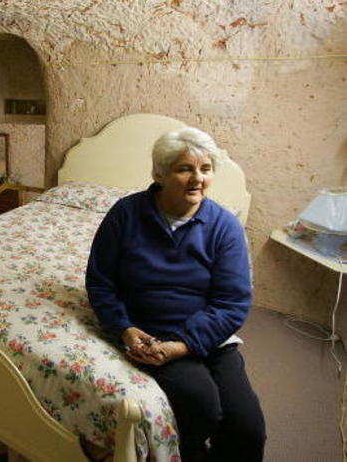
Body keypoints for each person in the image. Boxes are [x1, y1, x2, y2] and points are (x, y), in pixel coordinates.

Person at [85, 127, 265, 461]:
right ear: (160, 173)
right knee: (202, 405)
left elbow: (233, 303)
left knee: (248, 429)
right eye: (185, 169)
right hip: (154, 333)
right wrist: (123, 327)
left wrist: (184, 345)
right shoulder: (126, 214)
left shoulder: (224, 227)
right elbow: (100, 282)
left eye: (206, 169)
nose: (197, 178)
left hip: (211, 336)